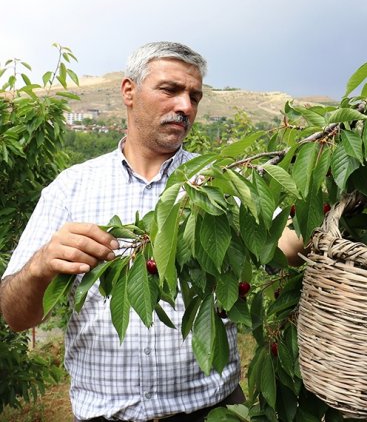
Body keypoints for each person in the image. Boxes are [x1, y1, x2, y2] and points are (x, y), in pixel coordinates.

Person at [0, 41, 302, 421]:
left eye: (195, 96)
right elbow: (14, 315)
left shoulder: (222, 180)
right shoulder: (70, 188)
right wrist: (41, 264)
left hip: (212, 411)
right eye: (170, 90)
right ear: (129, 91)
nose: (186, 106)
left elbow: (290, 245)